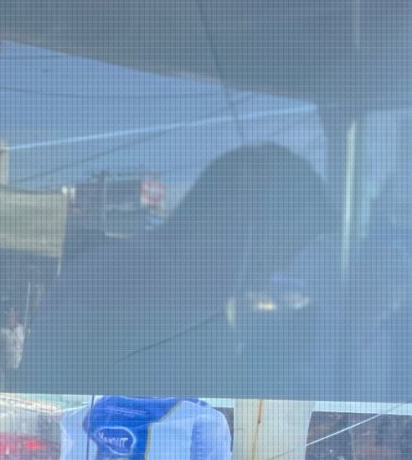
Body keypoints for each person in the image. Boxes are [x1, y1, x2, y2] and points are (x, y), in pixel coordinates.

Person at [17, 144, 335, 397]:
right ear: (248, 226)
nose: (284, 263)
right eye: (290, 242)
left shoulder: (196, 295)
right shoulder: (135, 280)